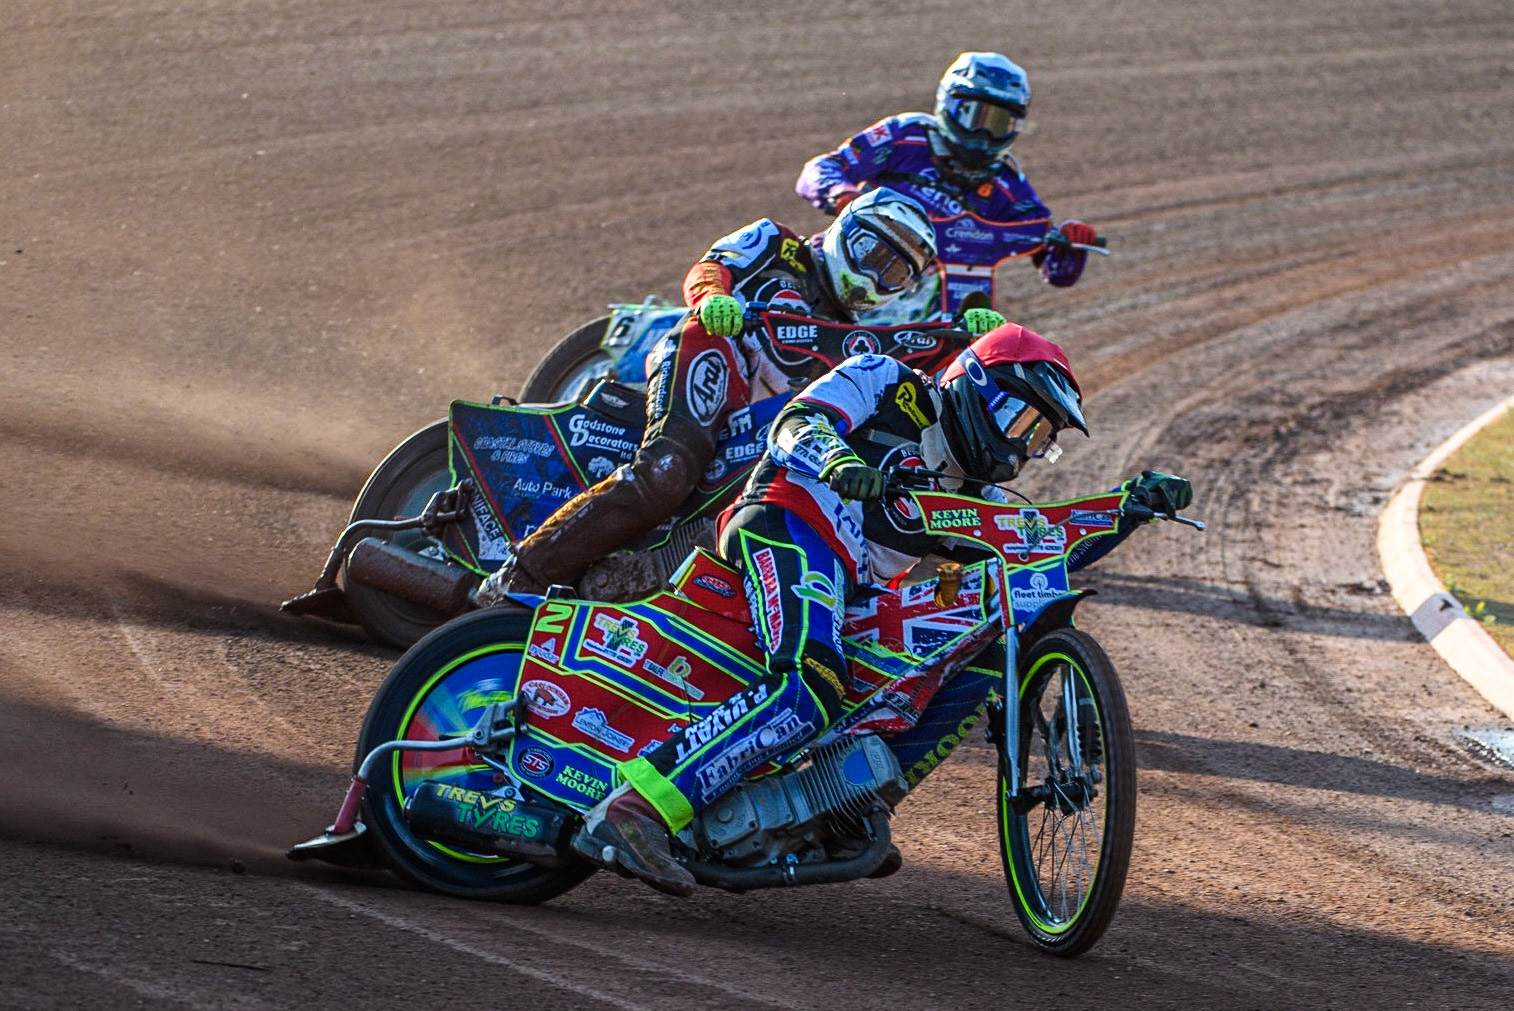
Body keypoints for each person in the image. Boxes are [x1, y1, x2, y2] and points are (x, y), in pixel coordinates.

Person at [572, 322, 1192, 895]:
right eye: (1018, 417)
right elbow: (796, 423)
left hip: (854, 586)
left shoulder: (974, 493)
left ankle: (840, 807)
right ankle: (636, 810)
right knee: (811, 686)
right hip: (789, 521)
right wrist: (840, 461)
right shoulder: (887, 380)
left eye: (1037, 435)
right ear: (974, 383)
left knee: (971, 655)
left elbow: (1038, 541)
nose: (1020, 444)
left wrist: (1127, 507)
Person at [477, 189, 1008, 600]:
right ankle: (515, 578)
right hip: (713, 351)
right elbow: (712, 266)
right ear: (847, 229)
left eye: (896, 276)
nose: (875, 278)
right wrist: (712, 299)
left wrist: (972, 340)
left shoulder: (857, 341)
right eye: (873, 253)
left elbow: (923, 379)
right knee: (666, 472)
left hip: (761, 429)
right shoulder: (777, 245)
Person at [796, 51, 1100, 322]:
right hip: (842, 279)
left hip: (930, 328)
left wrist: (1072, 245)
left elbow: (1056, 268)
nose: (983, 133)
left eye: (998, 123)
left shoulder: (1007, 183)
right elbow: (819, 170)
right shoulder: (905, 136)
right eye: (973, 116)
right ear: (948, 102)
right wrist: (845, 198)